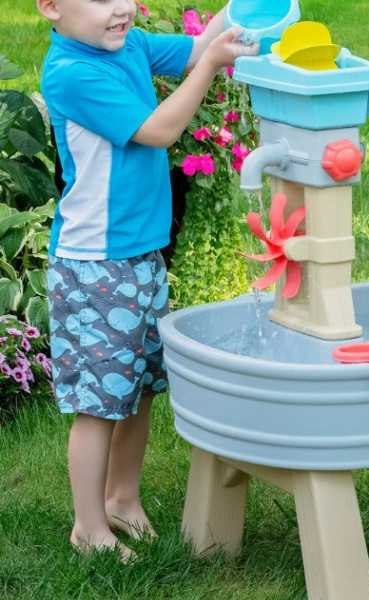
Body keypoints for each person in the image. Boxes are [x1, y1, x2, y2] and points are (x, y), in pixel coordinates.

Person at [36, 0, 257, 558]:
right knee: (99, 403)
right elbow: (159, 129)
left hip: (140, 255)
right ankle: (88, 527)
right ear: (51, 7)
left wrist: (240, 10)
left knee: (136, 388)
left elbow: (198, 47)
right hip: (95, 264)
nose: (120, 9)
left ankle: (122, 499)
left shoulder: (126, 42)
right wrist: (213, 65)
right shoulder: (73, 73)